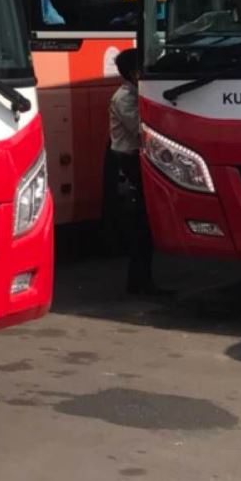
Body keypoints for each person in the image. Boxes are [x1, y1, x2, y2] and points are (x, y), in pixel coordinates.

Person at [104, 47, 166, 296]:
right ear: (133, 72)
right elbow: (141, 129)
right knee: (142, 223)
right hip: (129, 160)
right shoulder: (125, 98)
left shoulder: (135, 93)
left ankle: (143, 281)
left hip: (135, 157)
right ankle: (139, 283)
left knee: (145, 224)